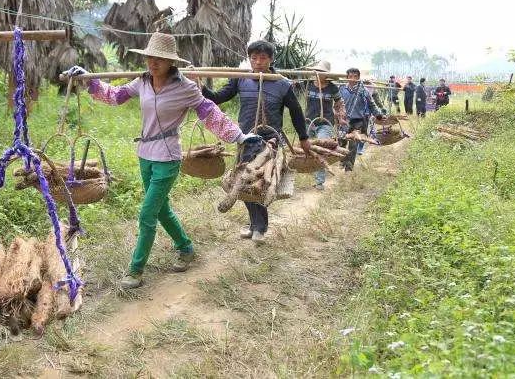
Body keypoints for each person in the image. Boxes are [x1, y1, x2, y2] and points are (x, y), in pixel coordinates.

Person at [64, 33, 257, 289]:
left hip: (168, 158)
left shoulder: (185, 87)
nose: (153, 63)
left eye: (160, 59)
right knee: (161, 209)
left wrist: (238, 136)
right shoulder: (141, 83)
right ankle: (186, 248)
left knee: (147, 213)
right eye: (150, 57)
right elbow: (115, 95)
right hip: (145, 155)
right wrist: (89, 80)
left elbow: (210, 113)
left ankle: (135, 270)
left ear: (171, 63)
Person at [199, 40, 312, 241]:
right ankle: (255, 225)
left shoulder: (282, 83)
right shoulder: (241, 79)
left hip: (269, 140)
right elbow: (218, 97)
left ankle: (259, 227)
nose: (258, 62)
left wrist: (304, 138)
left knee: (257, 181)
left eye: (263, 58)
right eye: (254, 58)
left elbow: (296, 112)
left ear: (271, 59)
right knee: (243, 181)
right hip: (245, 138)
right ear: (249, 59)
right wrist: (199, 85)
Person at [304, 60, 344, 190]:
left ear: (326, 74)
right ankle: (308, 169)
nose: (318, 74)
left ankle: (319, 182)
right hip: (309, 122)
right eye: (316, 71)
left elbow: (339, 103)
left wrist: (340, 115)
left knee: (320, 149)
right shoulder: (308, 85)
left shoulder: (333, 88)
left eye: (321, 72)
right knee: (307, 148)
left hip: (325, 123)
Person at [339, 68, 384, 171]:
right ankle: (343, 161)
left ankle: (349, 168)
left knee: (353, 145)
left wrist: (378, 114)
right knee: (342, 142)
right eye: (350, 77)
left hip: (358, 121)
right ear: (347, 78)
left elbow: (372, 104)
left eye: (355, 77)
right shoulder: (341, 89)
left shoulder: (363, 91)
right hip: (344, 121)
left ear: (359, 78)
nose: (353, 79)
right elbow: (336, 104)